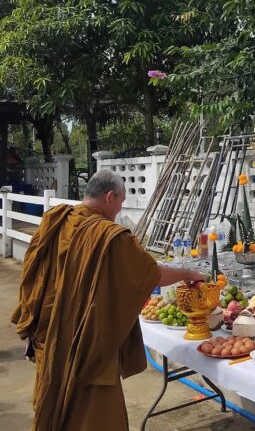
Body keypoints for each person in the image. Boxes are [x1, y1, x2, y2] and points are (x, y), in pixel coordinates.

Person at [12, 169, 203, 431]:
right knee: (96, 417)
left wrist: (32, 322)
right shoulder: (109, 235)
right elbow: (152, 274)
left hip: (51, 334)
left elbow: (33, 274)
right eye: (121, 203)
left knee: (54, 401)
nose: (119, 209)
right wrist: (189, 273)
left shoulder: (55, 221)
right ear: (110, 197)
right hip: (87, 343)